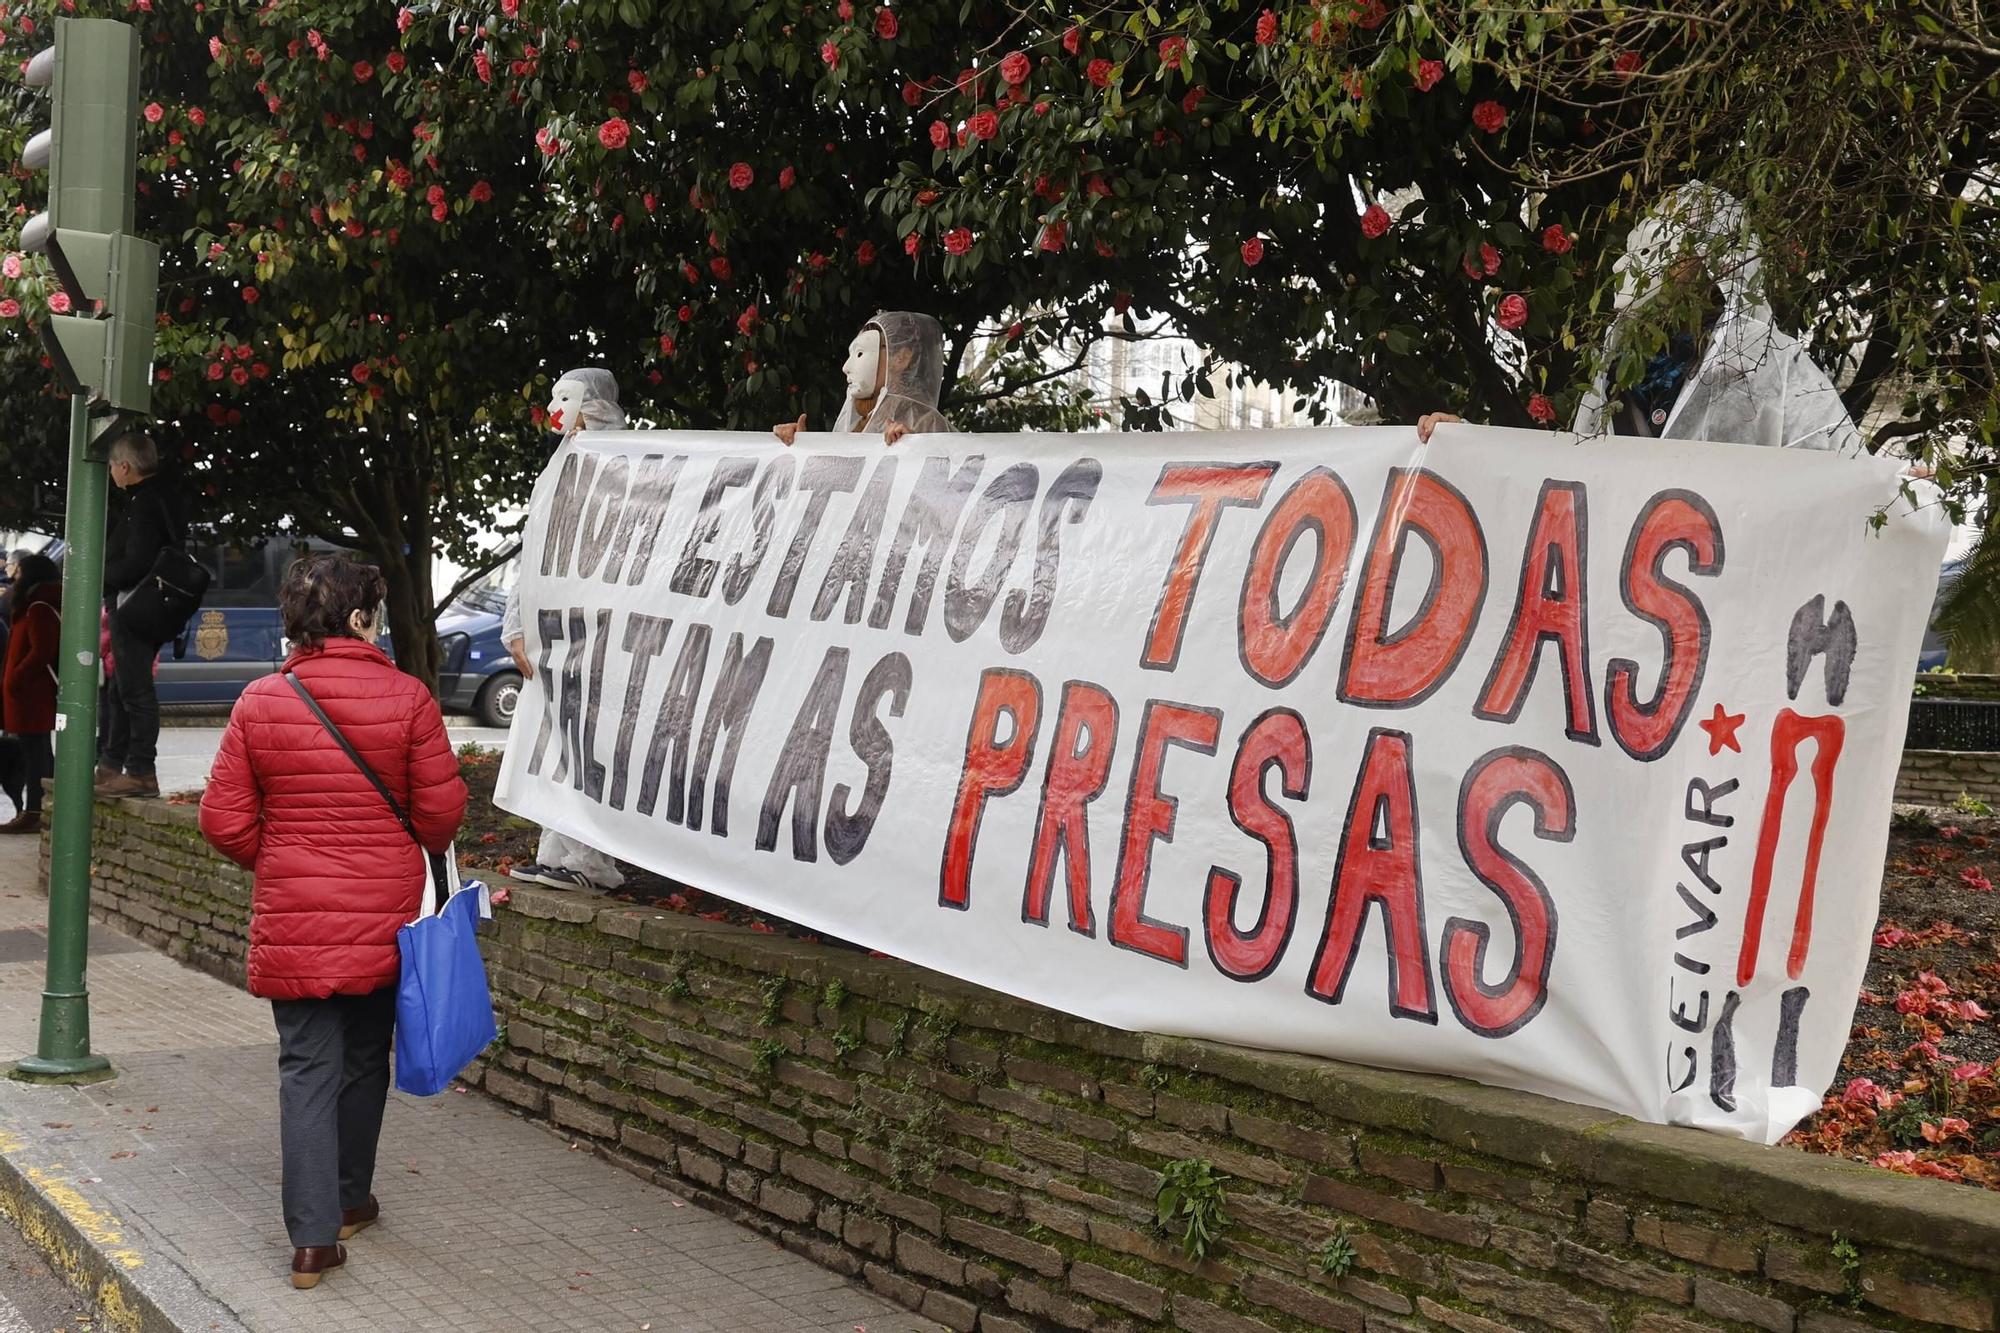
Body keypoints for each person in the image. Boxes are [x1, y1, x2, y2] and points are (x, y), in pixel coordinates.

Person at [198, 555, 468, 1291]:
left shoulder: (261, 701)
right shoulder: (409, 698)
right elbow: (441, 816)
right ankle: (350, 1199)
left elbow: (221, 819)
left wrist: (286, 858)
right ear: (359, 618)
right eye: (374, 610)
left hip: (296, 921)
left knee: (304, 1068)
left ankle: (311, 1241)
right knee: (364, 1058)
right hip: (383, 921)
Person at [1417, 183, 1864, 456]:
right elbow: (1565, 476)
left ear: (1717, 260)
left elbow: (1843, 470)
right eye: (1651, 239)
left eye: (1676, 242)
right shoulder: (1620, 371)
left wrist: (1902, 493)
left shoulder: (1773, 365)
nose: (1651, 258)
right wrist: (1468, 448)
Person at [502, 368, 630, 893]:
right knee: (555, 742)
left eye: (567, 397)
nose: (555, 407)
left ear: (594, 404)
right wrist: (517, 624)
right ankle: (559, 854)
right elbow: (538, 551)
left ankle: (592, 860)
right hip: (554, 632)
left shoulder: (626, 463)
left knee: (585, 742)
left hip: (595, 633)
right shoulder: (561, 465)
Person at [98, 432, 188, 799]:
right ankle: (111, 763)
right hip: (149, 606)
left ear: (124, 466)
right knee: (122, 687)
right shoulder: (165, 496)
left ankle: (139, 771)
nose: (110, 473)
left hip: (134, 606)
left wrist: (100, 577)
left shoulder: (144, 503)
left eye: (111, 466)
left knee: (133, 689)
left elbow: (136, 562)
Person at [774, 311, 954, 446]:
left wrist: (915, 449)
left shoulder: (927, 423)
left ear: (901, 358)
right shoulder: (857, 424)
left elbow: (948, 486)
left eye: (860, 353)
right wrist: (800, 444)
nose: (846, 367)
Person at [0, 553, 60, 835]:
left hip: (31, 694)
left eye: (20, 573)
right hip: (26, 693)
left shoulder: (38, 606)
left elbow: (42, 651)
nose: (15, 578)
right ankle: (41, 808)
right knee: (37, 752)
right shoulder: (32, 604)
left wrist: (16, 677)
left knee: (35, 755)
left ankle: (35, 810)